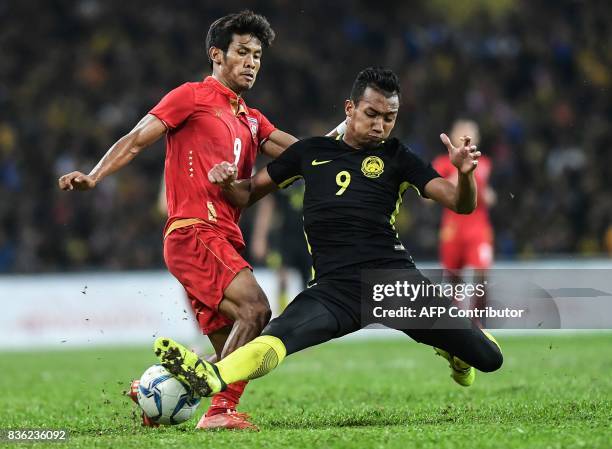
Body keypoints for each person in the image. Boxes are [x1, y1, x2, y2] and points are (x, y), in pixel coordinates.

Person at [152, 67, 503, 408]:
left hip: (394, 282)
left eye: (389, 117)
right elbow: (246, 195)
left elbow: (460, 202)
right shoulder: (310, 153)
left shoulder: (398, 156)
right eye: (371, 114)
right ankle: (214, 375)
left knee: (490, 358)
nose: (380, 125)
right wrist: (227, 181)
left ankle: (455, 351)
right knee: (278, 337)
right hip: (335, 290)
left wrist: (465, 174)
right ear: (350, 109)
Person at [59, 10, 309, 431]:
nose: (251, 62)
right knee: (257, 309)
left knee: (241, 354)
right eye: (242, 53)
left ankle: (161, 388)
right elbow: (137, 138)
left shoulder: (252, 118)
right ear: (217, 55)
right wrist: (95, 175)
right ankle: (218, 413)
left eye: (257, 56)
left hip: (224, 239)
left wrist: (350, 149)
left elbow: (301, 152)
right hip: (194, 232)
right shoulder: (191, 96)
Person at [432, 120, 495, 326]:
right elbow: (426, 197)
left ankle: (479, 322)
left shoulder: (482, 163)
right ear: (453, 135)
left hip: (477, 230)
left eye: (472, 132)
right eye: (463, 132)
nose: (468, 136)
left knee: (482, 274)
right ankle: (455, 324)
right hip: (452, 230)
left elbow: (490, 197)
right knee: (452, 281)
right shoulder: (442, 163)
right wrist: (457, 173)